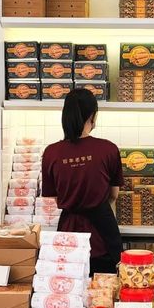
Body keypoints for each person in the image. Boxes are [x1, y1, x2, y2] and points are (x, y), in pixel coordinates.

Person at [42, 87, 124, 274]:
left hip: (68, 234)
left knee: (68, 288)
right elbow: (113, 194)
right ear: (93, 116)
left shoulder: (51, 152)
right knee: (103, 291)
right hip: (102, 236)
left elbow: (55, 198)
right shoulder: (108, 149)